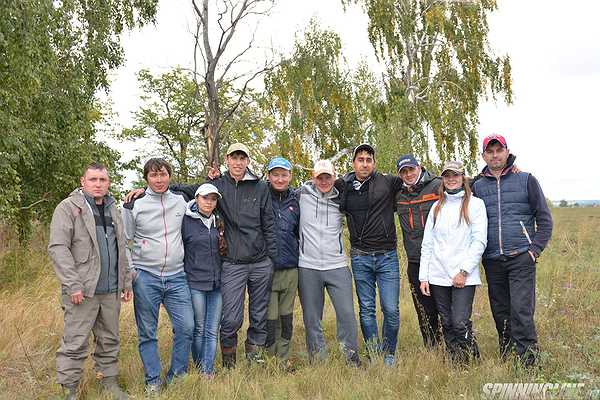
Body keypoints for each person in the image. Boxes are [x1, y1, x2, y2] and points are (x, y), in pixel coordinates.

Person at [172, 143, 277, 368]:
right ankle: (229, 360)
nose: (238, 163)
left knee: (259, 314)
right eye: (234, 158)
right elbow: (187, 191)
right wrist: (148, 190)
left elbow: (269, 223)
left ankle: (254, 355)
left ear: (248, 161)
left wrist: (271, 259)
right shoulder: (216, 185)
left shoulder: (260, 187)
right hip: (232, 264)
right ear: (227, 160)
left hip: (260, 262)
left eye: (243, 158)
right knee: (230, 318)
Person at [48, 162, 132, 400]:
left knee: (109, 340)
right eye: (93, 179)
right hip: (82, 291)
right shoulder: (68, 208)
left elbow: (121, 247)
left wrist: (126, 282)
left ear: (108, 183)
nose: (98, 184)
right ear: (82, 182)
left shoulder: (113, 208)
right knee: (75, 342)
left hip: (110, 290)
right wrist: (72, 284)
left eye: (102, 180)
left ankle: (109, 383)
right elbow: (58, 248)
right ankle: (70, 389)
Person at [472, 134, 553, 367]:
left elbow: (544, 219)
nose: (495, 155)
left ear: (507, 152)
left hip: (521, 256)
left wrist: (534, 250)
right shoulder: (477, 186)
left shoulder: (526, 179)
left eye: (499, 150)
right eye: (490, 151)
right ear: (484, 155)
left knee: (521, 311)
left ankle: (529, 362)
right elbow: (453, 184)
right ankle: (508, 358)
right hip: (492, 259)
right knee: (500, 311)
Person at [122, 158, 194, 394]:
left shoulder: (181, 200)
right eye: (153, 176)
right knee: (147, 332)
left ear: (169, 176)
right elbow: (125, 241)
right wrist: (132, 272)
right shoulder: (133, 205)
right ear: (146, 179)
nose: (159, 179)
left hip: (177, 276)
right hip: (146, 277)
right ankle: (152, 381)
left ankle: (178, 376)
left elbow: (204, 194)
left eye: (163, 174)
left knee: (186, 328)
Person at [336, 144, 403, 365]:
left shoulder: (388, 182)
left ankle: (389, 354)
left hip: (387, 257)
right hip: (360, 256)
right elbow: (320, 185)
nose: (364, 163)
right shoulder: (343, 185)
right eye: (360, 159)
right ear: (354, 163)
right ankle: (374, 354)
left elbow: (415, 179)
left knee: (390, 309)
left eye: (368, 159)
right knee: (366, 310)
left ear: (374, 163)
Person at [419, 160, 488, 364]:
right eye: (447, 175)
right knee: (447, 322)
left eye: (455, 175)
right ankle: (455, 362)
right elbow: (427, 244)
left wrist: (464, 271)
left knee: (459, 322)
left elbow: (479, 241)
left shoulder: (476, 205)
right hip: (438, 275)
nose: (451, 179)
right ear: (443, 179)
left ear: (463, 178)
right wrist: (424, 277)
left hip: (463, 276)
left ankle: (471, 359)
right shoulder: (436, 207)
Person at [298, 159, 361, 366]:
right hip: (308, 265)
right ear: (313, 178)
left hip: (337, 265)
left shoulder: (342, 199)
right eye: (319, 177)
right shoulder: (301, 195)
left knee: (347, 315)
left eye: (328, 177)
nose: (324, 181)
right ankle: (318, 361)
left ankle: (350, 357)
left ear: (335, 177)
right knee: (312, 318)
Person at [395, 155, 444, 348]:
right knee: (424, 310)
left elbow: (467, 184)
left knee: (445, 309)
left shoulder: (438, 185)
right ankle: (432, 349)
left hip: (440, 260)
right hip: (415, 261)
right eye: (403, 172)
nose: (408, 174)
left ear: (419, 167)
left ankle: (455, 348)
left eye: (411, 169)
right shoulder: (398, 194)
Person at [181, 183, 225, 377]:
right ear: (197, 198)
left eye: (213, 198)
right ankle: (200, 367)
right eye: (205, 198)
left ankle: (208, 370)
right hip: (195, 282)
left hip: (217, 284)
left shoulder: (219, 221)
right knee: (198, 328)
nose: (209, 202)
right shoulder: (185, 221)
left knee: (212, 329)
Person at [264, 157, 300, 364]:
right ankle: (270, 359)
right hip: (267, 268)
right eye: (275, 174)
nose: (280, 179)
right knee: (270, 317)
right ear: (268, 176)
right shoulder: (261, 196)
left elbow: (298, 232)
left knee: (286, 316)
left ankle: (283, 358)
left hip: (290, 268)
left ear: (290, 176)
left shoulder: (295, 200)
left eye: (284, 174)